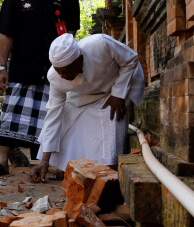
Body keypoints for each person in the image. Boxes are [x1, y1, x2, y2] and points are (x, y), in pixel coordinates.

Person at [0, 0, 81, 176]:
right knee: (10, 116)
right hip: (23, 67)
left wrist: (67, 64)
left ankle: (49, 165)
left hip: (55, 70)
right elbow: (6, 35)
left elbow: (72, 33)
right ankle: (3, 163)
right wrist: (2, 67)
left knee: (53, 117)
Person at [30, 33, 145, 182]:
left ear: (80, 59)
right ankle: (74, 167)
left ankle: (107, 169)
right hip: (88, 95)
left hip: (120, 85)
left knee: (111, 115)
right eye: (59, 71)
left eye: (66, 70)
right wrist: (44, 161)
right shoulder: (54, 77)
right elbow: (53, 115)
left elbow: (130, 59)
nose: (63, 75)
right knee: (68, 118)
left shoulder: (100, 44)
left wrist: (119, 94)